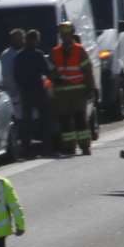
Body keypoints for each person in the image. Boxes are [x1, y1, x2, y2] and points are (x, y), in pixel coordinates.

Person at [50, 21, 96, 156]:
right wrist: (54, 79)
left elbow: (88, 71)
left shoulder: (79, 50)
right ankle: (69, 146)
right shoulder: (55, 52)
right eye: (62, 35)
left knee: (80, 119)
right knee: (65, 121)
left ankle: (85, 146)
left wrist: (90, 88)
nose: (65, 37)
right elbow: (51, 70)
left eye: (67, 34)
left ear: (71, 34)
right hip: (62, 92)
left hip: (78, 91)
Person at [12, 29, 54, 158]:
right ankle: (47, 147)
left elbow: (16, 75)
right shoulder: (38, 54)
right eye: (36, 39)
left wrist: (22, 86)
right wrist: (55, 80)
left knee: (27, 122)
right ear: (34, 40)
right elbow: (46, 71)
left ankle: (27, 149)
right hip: (38, 90)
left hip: (26, 92)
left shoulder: (19, 56)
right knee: (45, 119)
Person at [0, 28, 25, 104]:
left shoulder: (29, 53)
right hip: (12, 95)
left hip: (28, 93)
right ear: (11, 40)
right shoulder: (5, 55)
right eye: (15, 39)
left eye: (20, 38)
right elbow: (6, 75)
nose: (18, 41)